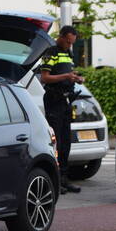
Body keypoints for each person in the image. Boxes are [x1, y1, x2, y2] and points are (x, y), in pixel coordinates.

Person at [40, 25, 84, 194]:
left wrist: (76, 78)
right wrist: (66, 76)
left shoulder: (68, 53)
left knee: (66, 143)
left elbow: (68, 72)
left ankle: (64, 180)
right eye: (67, 41)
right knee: (56, 141)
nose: (69, 45)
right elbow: (45, 78)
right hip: (54, 100)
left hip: (66, 102)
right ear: (61, 37)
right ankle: (55, 182)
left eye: (71, 42)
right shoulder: (52, 52)